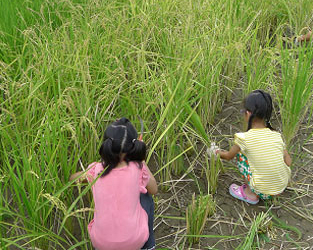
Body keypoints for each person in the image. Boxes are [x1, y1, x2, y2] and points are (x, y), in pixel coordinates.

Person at [70, 117, 158, 250]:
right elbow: (154, 189)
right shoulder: (138, 168)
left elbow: (72, 179)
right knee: (145, 196)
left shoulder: (96, 170)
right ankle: (148, 246)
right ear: (134, 145)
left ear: (107, 145)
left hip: (101, 243)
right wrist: (142, 161)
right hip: (134, 241)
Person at [211, 90, 292, 204]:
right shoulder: (277, 136)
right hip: (280, 188)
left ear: (248, 114)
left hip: (262, 191)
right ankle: (271, 184)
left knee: (241, 154)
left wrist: (216, 152)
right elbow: (288, 162)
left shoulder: (244, 138)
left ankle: (250, 194)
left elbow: (228, 156)